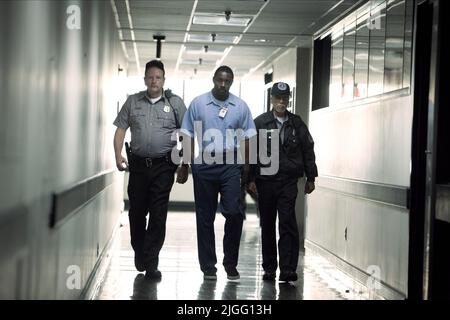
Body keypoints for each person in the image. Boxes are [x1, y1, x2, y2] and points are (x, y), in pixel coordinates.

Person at [113, 59, 188, 279]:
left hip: (164, 166)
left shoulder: (175, 103)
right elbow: (120, 130)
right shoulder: (133, 102)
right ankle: (140, 251)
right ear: (145, 79)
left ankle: (151, 261)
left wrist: (185, 164)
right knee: (137, 212)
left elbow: (188, 134)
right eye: (150, 77)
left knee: (158, 214)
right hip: (137, 166)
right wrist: (117, 155)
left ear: (164, 79)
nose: (154, 81)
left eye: (158, 77)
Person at [180, 65, 256, 281]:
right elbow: (187, 134)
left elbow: (248, 137)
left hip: (231, 164)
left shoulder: (240, 106)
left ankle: (230, 263)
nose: (223, 84)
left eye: (227, 81)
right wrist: (184, 164)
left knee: (234, 212)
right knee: (205, 217)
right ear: (214, 79)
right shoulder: (198, 103)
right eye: (220, 80)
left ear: (231, 82)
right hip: (204, 163)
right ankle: (208, 267)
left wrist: (247, 170)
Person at [248, 81, 318, 282]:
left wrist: (311, 177)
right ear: (271, 100)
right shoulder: (260, 122)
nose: (281, 102)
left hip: (288, 181)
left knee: (287, 222)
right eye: (277, 98)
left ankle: (288, 268)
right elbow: (251, 153)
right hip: (265, 181)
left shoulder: (296, 123)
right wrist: (250, 179)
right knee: (268, 224)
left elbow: (308, 150)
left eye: (284, 98)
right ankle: (270, 267)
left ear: (289, 100)